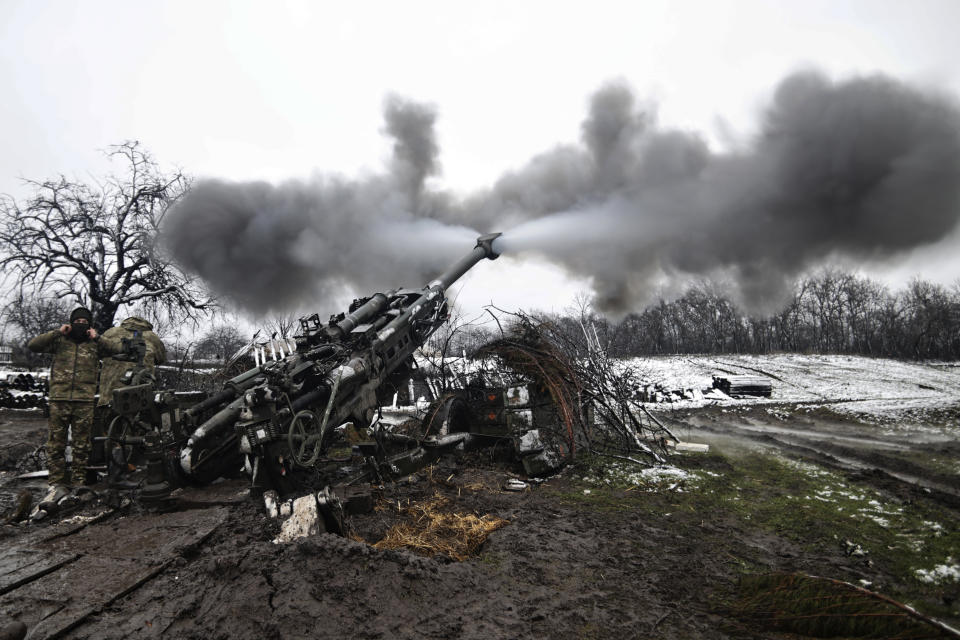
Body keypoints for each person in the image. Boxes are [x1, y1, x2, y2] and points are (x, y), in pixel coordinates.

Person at [28, 307, 121, 509]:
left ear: (89, 324)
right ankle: (56, 483)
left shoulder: (94, 344)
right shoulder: (60, 341)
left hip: (84, 400)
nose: (80, 323)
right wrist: (57, 332)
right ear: (71, 322)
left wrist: (98, 338)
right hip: (59, 398)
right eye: (77, 320)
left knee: (82, 444)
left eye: (84, 321)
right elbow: (33, 345)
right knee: (56, 444)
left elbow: (117, 349)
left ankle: (78, 482)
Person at [97, 316, 167, 408]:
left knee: (109, 419)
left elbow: (99, 352)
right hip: (139, 397)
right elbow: (161, 358)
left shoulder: (111, 333)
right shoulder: (152, 337)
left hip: (109, 395)